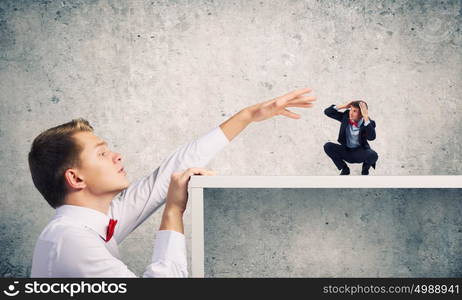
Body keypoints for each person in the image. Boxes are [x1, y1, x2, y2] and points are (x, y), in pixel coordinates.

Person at [28, 88, 316, 277]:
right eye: (102, 153)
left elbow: (170, 172)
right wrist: (173, 211)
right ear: (75, 178)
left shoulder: (95, 221)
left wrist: (248, 116)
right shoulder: (71, 240)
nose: (117, 156)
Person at [323, 100, 378, 175]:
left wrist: (366, 117)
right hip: (346, 151)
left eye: (355, 111)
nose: (351, 113)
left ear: (362, 114)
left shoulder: (369, 123)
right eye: (350, 110)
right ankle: (344, 169)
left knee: (373, 155)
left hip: (360, 153)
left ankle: (365, 170)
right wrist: (344, 106)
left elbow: (371, 137)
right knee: (328, 146)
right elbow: (327, 112)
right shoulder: (346, 116)